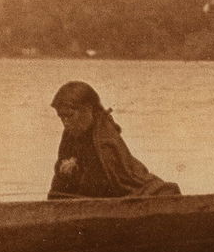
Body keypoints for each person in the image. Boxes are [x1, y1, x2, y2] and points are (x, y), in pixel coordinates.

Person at [47, 81, 180, 199]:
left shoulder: (104, 139)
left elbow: (110, 182)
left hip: (123, 190)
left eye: (70, 115)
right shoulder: (71, 132)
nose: (65, 122)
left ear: (89, 109)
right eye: (61, 117)